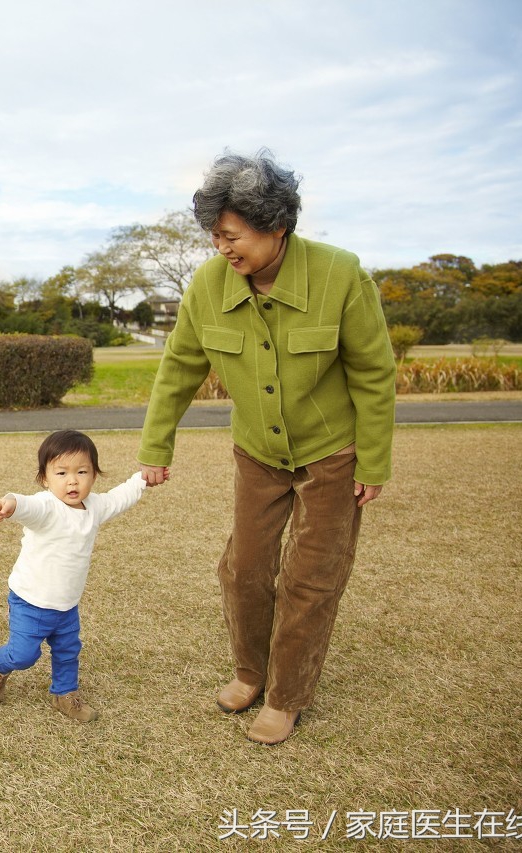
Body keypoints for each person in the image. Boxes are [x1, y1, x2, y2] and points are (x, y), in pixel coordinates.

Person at [137, 149, 396, 744]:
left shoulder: (341, 274)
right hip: (256, 452)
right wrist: (156, 447)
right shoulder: (208, 284)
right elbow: (179, 368)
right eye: (214, 236)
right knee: (245, 570)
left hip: (332, 453)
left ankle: (286, 695)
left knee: (311, 578)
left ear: (276, 224)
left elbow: (373, 373)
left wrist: (374, 460)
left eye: (231, 236)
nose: (221, 248)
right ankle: (251, 673)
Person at [0, 430, 152, 722]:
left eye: (82, 472)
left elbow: (120, 497)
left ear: (94, 475)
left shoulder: (95, 506)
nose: (72, 481)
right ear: (45, 479)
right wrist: (9, 504)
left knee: (68, 651)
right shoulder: (47, 507)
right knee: (23, 655)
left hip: (67, 605)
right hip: (30, 601)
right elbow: (26, 504)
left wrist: (143, 479)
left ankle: (64, 694)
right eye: (61, 473)